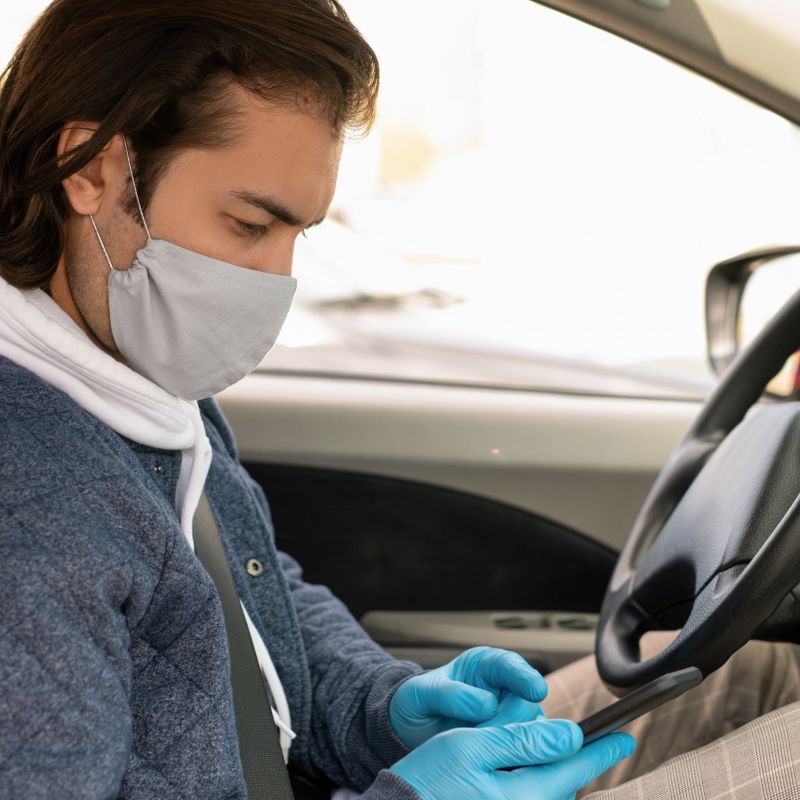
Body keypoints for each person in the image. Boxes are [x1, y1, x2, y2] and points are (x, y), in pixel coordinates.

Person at [0, 1, 798, 799]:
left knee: (759, 674)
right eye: (249, 224)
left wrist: (385, 709)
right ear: (93, 168)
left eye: (299, 235)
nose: (277, 280)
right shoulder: (27, 507)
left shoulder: (130, 376)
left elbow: (242, 596)